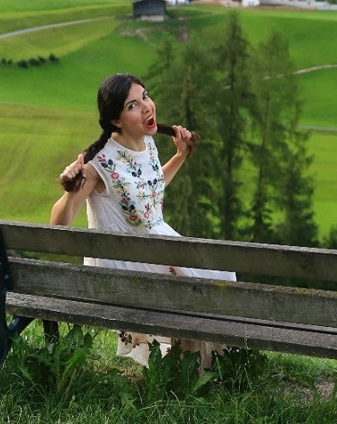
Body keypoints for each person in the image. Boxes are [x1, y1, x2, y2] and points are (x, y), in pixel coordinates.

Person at [50, 73, 235, 368]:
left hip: (153, 247)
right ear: (116, 120)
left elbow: (148, 191)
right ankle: (189, 372)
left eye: (145, 96)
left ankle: (191, 369)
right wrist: (71, 189)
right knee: (190, 284)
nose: (147, 106)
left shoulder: (148, 144)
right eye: (133, 105)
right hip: (124, 258)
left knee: (215, 273)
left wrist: (180, 155)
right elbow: (58, 226)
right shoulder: (98, 164)